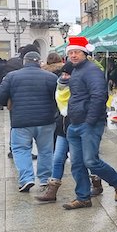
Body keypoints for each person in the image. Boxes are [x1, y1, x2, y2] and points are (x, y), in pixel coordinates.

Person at [62, 36, 117, 210]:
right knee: (76, 163)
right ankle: (83, 197)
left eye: (76, 52)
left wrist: (90, 120)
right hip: (75, 123)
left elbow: (99, 96)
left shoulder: (91, 70)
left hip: (88, 123)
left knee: (90, 161)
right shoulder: (76, 70)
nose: (73, 55)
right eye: (71, 53)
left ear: (85, 52)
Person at [0, 51, 57, 192]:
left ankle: (26, 178)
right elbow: (57, 97)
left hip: (21, 120)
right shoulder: (51, 77)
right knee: (46, 151)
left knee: (21, 149)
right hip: (45, 120)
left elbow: (0, 95)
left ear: (24, 62)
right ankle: (45, 178)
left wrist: (7, 103)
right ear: (39, 62)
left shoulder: (11, 76)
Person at [35, 62, 73, 202]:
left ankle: (96, 183)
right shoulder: (59, 86)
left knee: (83, 160)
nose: (64, 76)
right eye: (63, 73)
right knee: (57, 158)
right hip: (61, 127)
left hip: (75, 126)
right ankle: (52, 191)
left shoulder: (79, 86)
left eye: (67, 74)